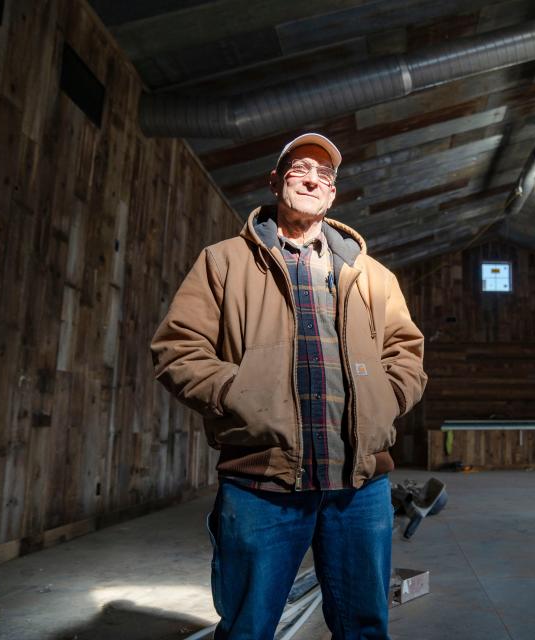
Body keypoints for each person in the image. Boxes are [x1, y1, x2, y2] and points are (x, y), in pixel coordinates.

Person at [150, 133, 427, 640]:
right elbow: (176, 349)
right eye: (301, 168)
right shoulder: (223, 262)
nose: (313, 179)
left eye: (325, 175)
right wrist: (241, 396)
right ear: (276, 180)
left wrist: (384, 403)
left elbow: (406, 355)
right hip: (262, 485)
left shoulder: (373, 276)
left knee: (365, 629)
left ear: (333, 194)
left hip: (359, 488)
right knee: (248, 630)